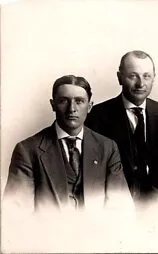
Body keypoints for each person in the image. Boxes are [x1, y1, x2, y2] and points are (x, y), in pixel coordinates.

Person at [3, 75, 132, 213]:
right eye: (64, 101)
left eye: (79, 101)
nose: (72, 108)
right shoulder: (28, 150)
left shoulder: (107, 148)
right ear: (53, 105)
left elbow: (120, 208)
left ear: (89, 106)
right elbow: (16, 213)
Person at [85, 50, 158, 202]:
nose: (140, 84)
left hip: (156, 203)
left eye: (146, 76)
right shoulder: (97, 115)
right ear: (119, 77)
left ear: (153, 78)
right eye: (133, 76)